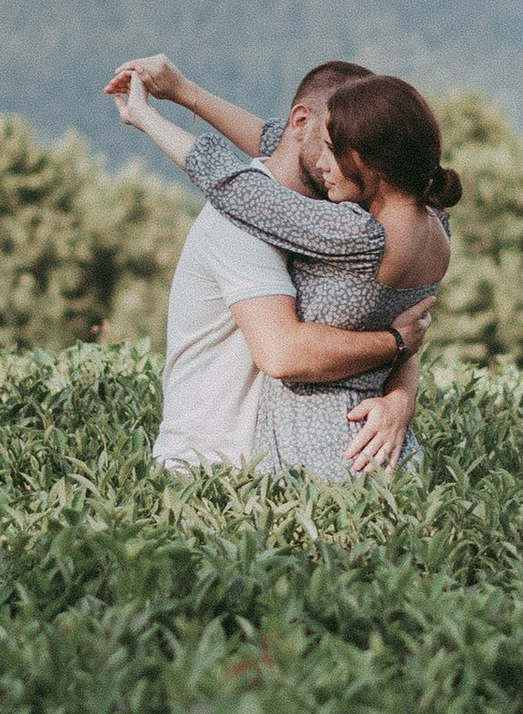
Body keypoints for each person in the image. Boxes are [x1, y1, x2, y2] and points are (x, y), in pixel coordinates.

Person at [111, 59, 455, 481]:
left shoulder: (350, 225)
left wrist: (400, 395)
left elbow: (242, 183)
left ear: (368, 158)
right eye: (325, 143)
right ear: (302, 125)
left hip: (310, 460)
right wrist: (185, 93)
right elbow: (275, 146)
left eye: (337, 148)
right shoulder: (431, 220)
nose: (326, 161)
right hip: (215, 461)